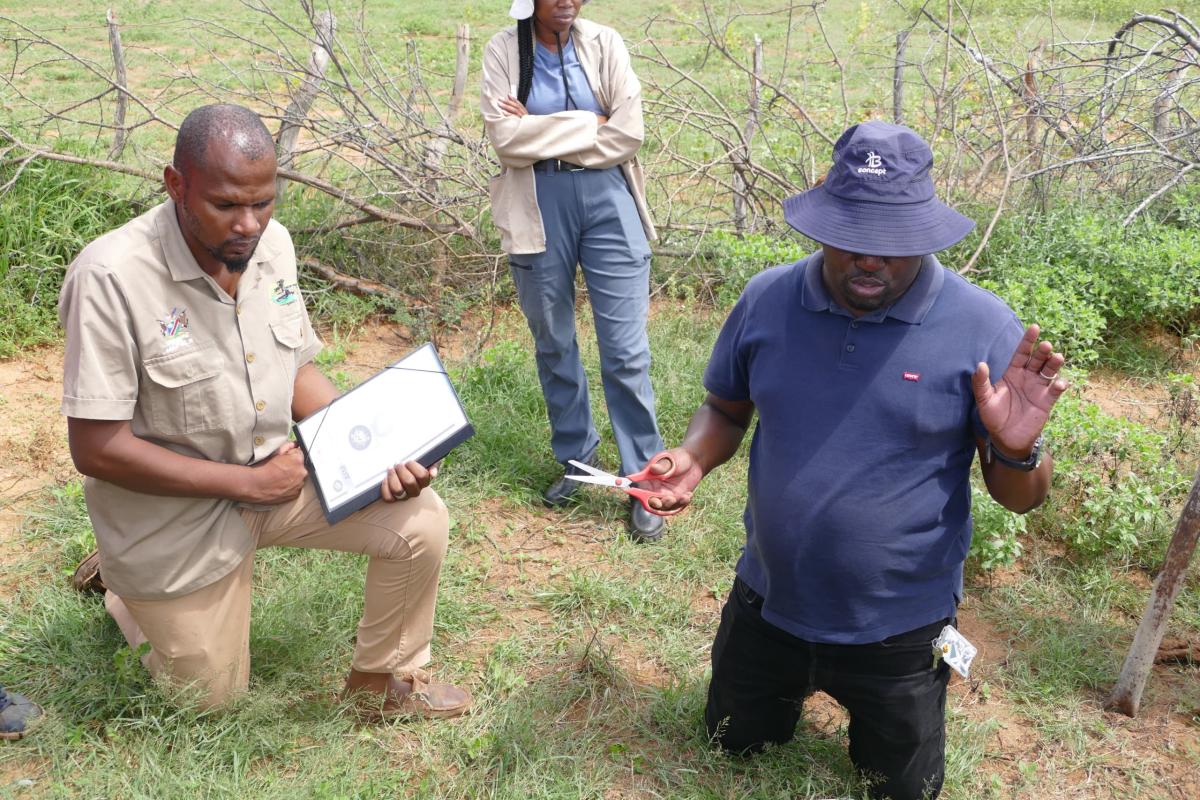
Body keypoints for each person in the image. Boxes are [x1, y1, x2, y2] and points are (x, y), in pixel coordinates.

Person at [638, 121, 1068, 800]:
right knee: (730, 745)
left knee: (902, 789)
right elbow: (726, 408)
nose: (871, 260)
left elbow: (1022, 497)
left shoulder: (982, 327)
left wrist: (1016, 448)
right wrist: (693, 458)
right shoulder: (768, 299)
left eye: (893, 246)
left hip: (900, 627)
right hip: (771, 602)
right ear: (821, 225)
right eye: (852, 238)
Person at [59, 104, 470, 718]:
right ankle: (124, 588)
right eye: (225, 206)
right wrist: (246, 482)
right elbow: (96, 449)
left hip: (276, 479)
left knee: (420, 518)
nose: (248, 225)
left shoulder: (271, 246)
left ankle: (381, 686)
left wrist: (375, 447)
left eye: (264, 202)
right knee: (211, 705)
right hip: (175, 516)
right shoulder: (111, 277)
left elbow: (297, 367)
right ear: (177, 186)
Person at [481, 0, 666, 541]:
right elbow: (505, 140)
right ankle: (578, 463)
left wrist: (540, 127)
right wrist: (591, 123)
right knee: (554, 340)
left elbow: (628, 132)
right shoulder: (503, 50)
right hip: (538, 205)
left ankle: (645, 480)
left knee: (626, 350)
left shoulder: (604, 43)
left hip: (609, 202)